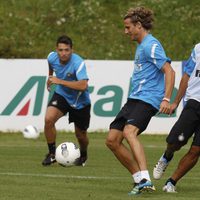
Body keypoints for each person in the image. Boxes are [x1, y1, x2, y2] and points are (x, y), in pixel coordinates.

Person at [105, 7, 175, 195]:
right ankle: (139, 179)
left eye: (128, 27)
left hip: (148, 99)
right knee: (112, 140)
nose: (125, 31)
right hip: (134, 99)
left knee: (129, 132)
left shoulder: (151, 45)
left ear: (138, 25)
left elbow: (169, 71)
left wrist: (166, 99)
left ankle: (145, 179)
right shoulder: (141, 46)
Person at [153, 43, 200, 192]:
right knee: (175, 142)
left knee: (196, 150)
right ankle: (167, 156)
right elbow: (186, 75)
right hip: (194, 102)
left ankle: (171, 182)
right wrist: (175, 102)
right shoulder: (198, 48)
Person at [42, 35, 91, 167]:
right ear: (56, 50)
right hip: (62, 95)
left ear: (72, 50)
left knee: (81, 135)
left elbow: (83, 85)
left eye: (66, 50)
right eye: (61, 50)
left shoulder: (78, 63)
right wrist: (50, 76)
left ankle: (83, 154)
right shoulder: (52, 57)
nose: (63, 53)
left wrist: (59, 81)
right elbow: (50, 64)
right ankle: (52, 154)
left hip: (80, 101)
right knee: (48, 119)